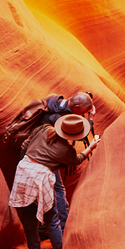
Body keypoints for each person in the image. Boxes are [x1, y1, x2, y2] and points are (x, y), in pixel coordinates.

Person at [9, 114, 100, 249]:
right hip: (40, 177)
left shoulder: (43, 129)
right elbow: (77, 160)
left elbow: (26, 144)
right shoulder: (66, 150)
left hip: (23, 171)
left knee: (28, 216)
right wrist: (91, 147)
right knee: (51, 219)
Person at [38, 91, 97, 233]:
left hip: (38, 150)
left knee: (48, 190)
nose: (82, 115)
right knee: (58, 189)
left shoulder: (55, 102)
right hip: (48, 156)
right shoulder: (63, 118)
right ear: (76, 107)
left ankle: (46, 225)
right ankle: (63, 226)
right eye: (82, 112)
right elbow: (79, 134)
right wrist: (90, 120)